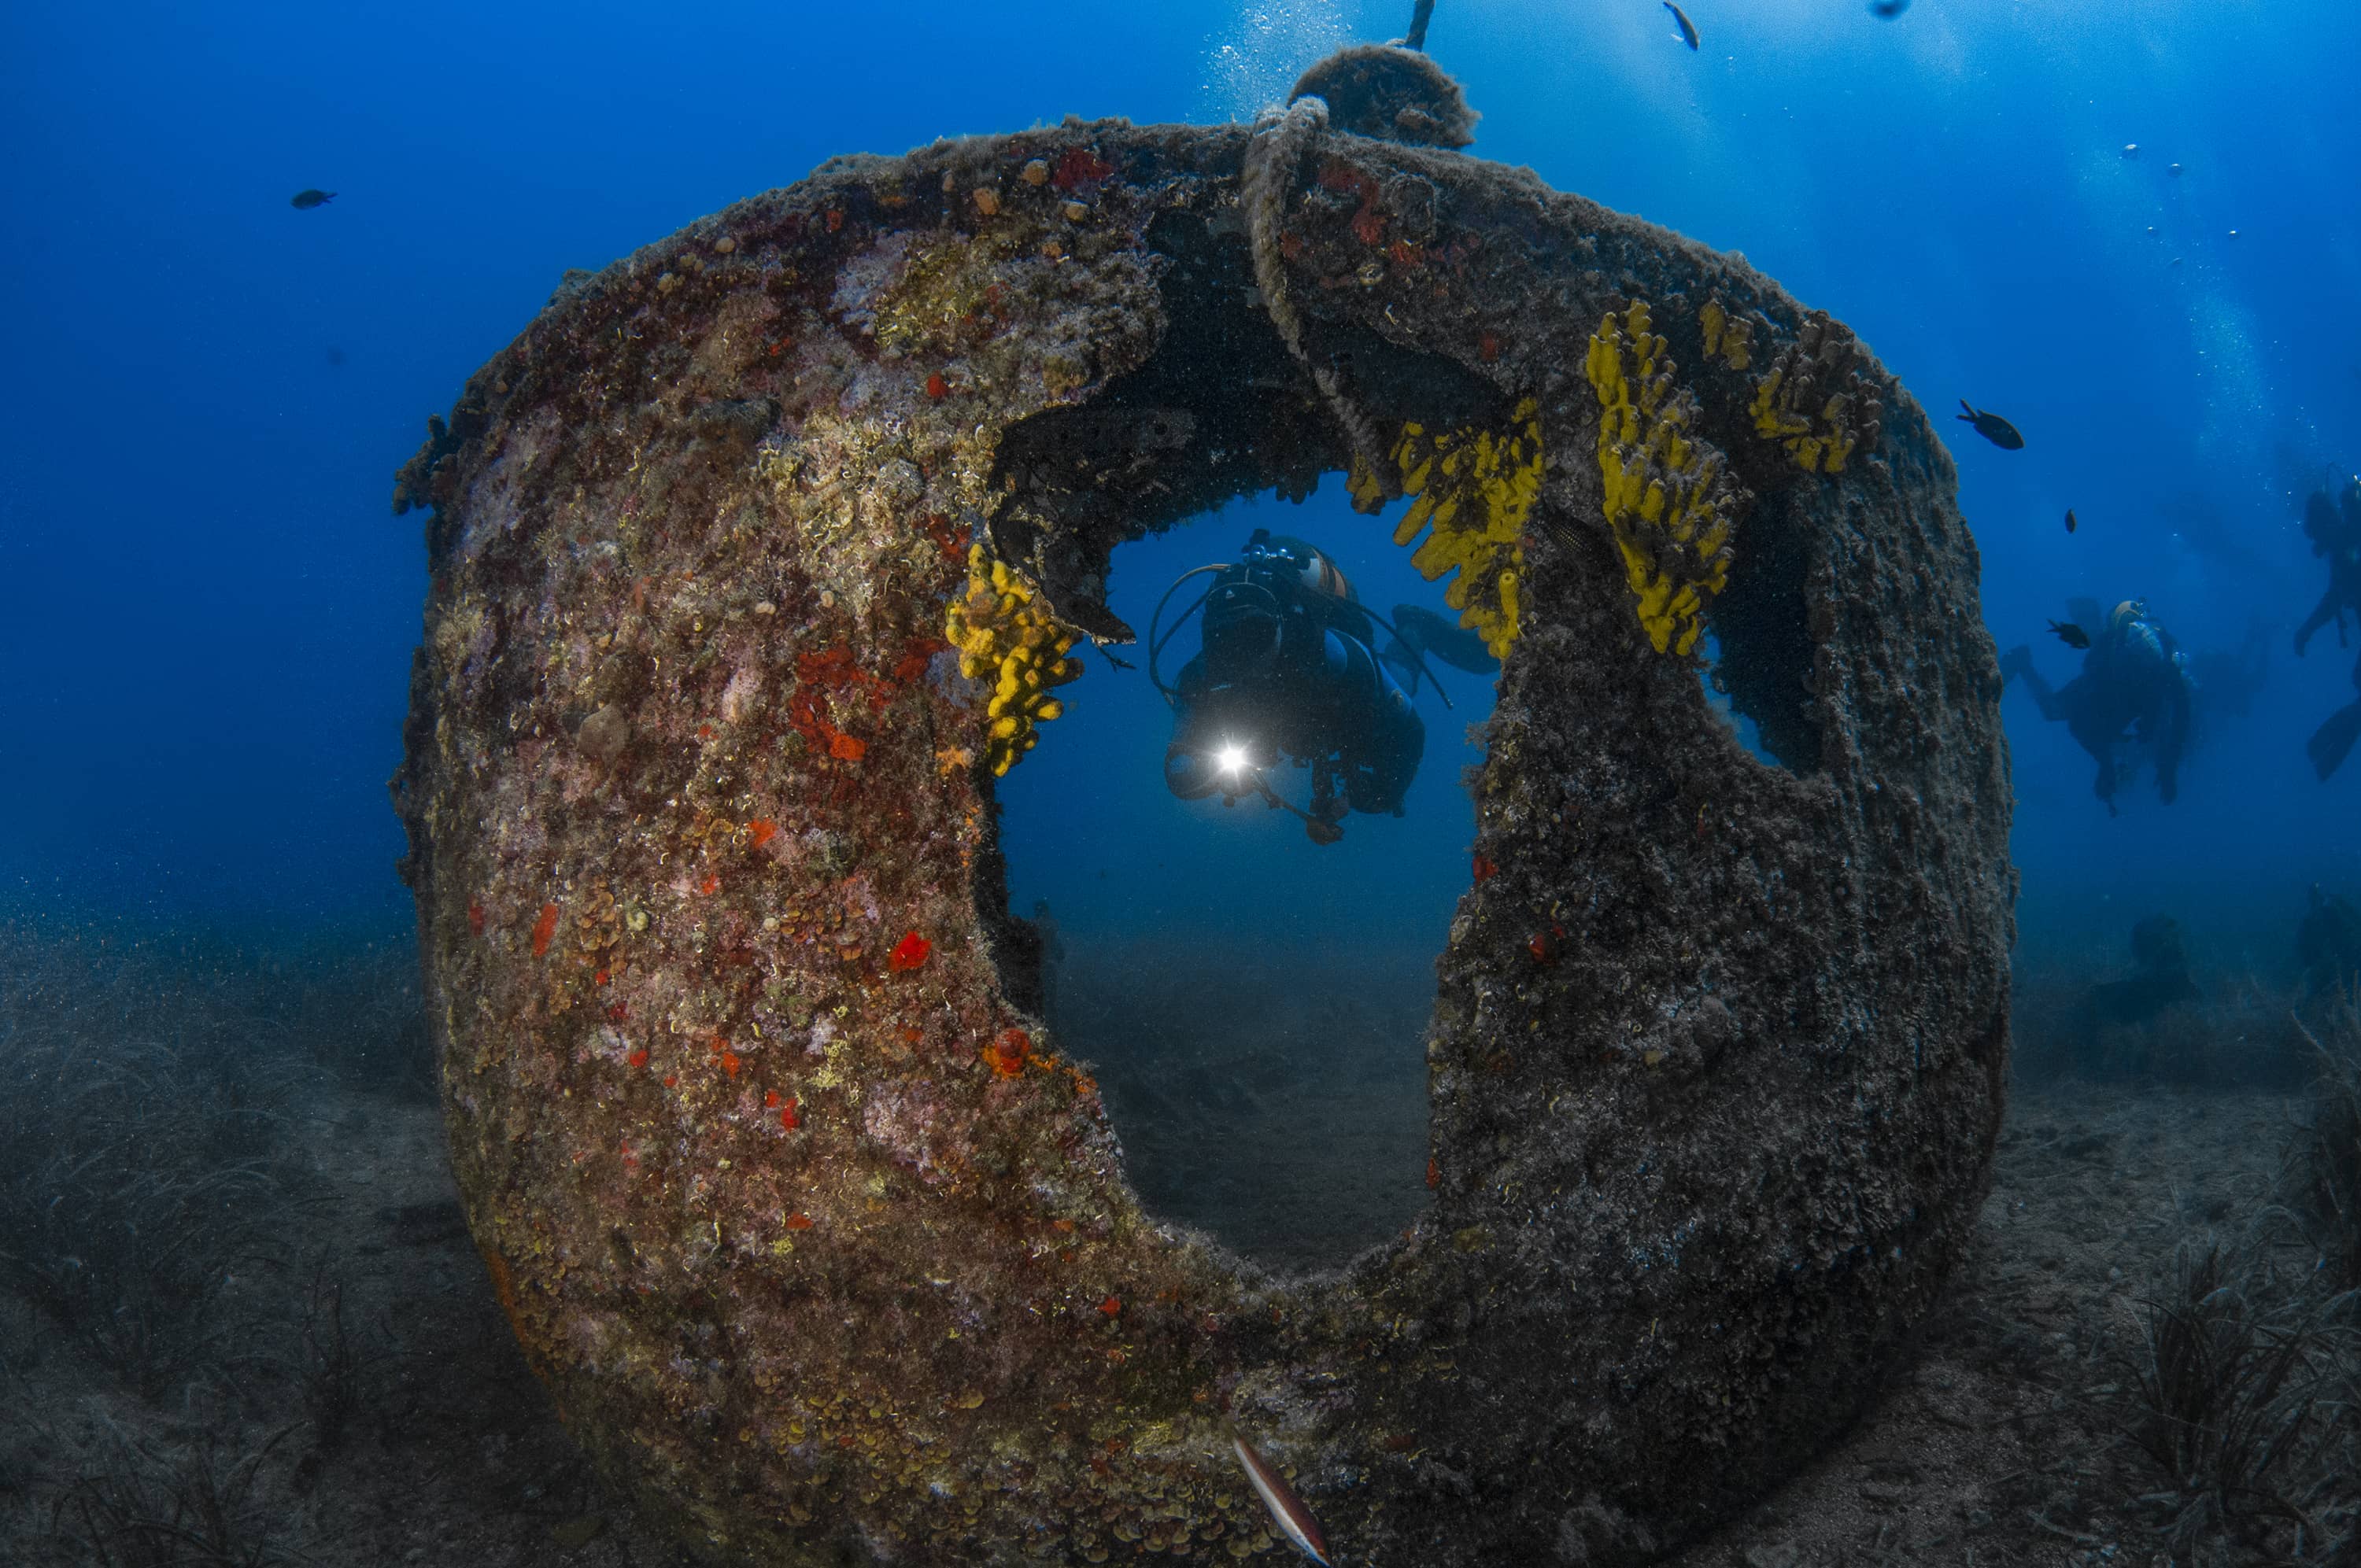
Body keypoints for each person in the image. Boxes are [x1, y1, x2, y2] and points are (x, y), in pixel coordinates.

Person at [1149, 529, 1489, 843]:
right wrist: (1213, 770)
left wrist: (1376, 794)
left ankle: (1415, 627)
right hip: (1303, 723)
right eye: (1228, 642)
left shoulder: (1333, 653)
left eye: (1257, 635)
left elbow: (1411, 729)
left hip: (1342, 705)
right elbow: (1180, 775)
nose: (1244, 656)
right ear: (1212, 637)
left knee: (1400, 679)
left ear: (1280, 626)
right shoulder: (1199, 677)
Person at [2000, 599, 2193, 814]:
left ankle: (2083, 619)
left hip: (2117, 695)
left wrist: (2168, 768)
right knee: (2052, 710)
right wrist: (2107, 765)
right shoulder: (2137, 667)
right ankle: (2021, 661)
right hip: (2102, 689)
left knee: (2111, 731)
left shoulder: (2163, 670)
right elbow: (2081, 726)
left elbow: (2181, 718)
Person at [2294, 477, 2361, 778]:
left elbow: (2336, 596)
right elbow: (2336, 595)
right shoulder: (2345, 546)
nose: (2320, 544)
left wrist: (2307, 629)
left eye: (2319, 533)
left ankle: (2344, 729)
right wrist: (2307, 629)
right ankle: (2338, 738)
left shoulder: (2353, 536)